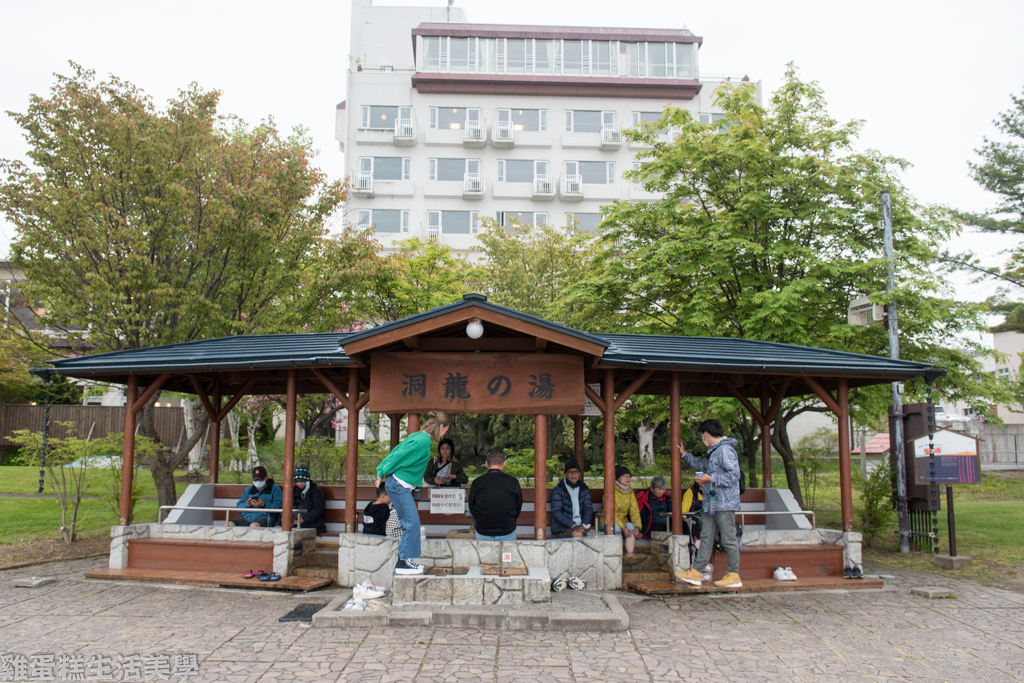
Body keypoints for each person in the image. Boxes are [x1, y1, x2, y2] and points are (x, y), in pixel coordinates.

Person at [376, 410, 450, 575]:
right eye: (446, 429)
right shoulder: (423, 440)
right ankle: (403, 562)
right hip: (398, 484)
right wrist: (384, 470)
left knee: (410, 523)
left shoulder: (419, 436)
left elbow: (396, 450)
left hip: (398, 484)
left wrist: (382, 469)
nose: (445, 433)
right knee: (412, 523)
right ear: (441, 426)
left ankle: (405, 560)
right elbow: (400, 454)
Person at [674, 418, 743, 588]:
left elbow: (734, 475)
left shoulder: (725, 450)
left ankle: (733, 574)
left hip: (725, 504)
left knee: (729, 539)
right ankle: (696, 572)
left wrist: (711, 478)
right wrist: (684, 455)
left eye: (702, 435)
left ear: (706, 434)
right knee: (705, 537)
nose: (702, 438)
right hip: (712, 503)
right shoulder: (714, 451)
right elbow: (702, 465)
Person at [468, 448, 523, 541]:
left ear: (486, 463)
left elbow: (472, 507)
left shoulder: (477, 483)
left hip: (483, 529)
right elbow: (518, 505)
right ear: (504, 463)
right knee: (506, 555)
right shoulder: (513, 482)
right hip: (507, 529)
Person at [549, 458, 593, 538]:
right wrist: (572, 524)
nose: (573, 475)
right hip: (563, 527)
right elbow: (556, 512)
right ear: (566, 474)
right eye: (570, 472)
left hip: (581, 526)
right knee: (578, 534)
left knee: (595, 534)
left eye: (576, 472)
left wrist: (585, 523)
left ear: (579, 473)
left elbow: (588, 508)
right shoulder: (559, 489)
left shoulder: (584, 488)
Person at [607, 465, 642, 555]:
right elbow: (611, 512)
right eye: (625, 476)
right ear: (618, 478)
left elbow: (634, 512)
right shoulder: (610, 491)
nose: (628, 478)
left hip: (623, 522)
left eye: (629, 476)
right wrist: (623, 527)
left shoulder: (630, 493)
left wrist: (637, 527)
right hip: (607, 521)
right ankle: (616, 554)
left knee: (630, 526)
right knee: (616, 528)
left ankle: (629, 555)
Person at [292, 465, 327, 535]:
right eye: (297, 482)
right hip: (295, 520)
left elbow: (319, 509)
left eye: (301, 481)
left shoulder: (315, 490)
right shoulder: (293, 490)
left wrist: (304, 519)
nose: (299, 484)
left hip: (312, 522)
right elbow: (291, 506)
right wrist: (294, 517)